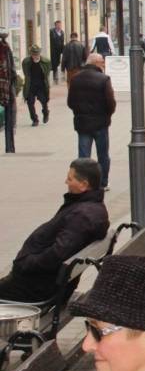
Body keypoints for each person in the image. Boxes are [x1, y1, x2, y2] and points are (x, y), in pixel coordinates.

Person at [0, 158, 109, 303]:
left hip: (37, 287)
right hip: (43, 282)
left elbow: (57, 254)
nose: (66, 182)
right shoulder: (89, 207)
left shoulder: (82, 216)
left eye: (70, 179)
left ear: (84, 185)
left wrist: (26, 263)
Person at [68, 53, 115, 190]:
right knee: (103, 155)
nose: (103, 65)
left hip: (82, 123)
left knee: (83, 157)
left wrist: (79, 112)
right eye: (102, 62)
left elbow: (70, 102)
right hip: (100, 123)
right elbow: (110, 103)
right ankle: (103, 183)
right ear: (96, 63)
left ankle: (83, 183)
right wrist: (107, 115)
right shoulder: (104, 79)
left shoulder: (75, 79)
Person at [21, 45, 50, 126]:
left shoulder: (46, 62)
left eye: (37, 54)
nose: (35, 56)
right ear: (31, 54)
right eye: (34, 54)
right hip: (30, 85)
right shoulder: (26, 62)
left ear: (39, 54)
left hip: (41, 85)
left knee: (44, 101)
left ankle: (46, 113)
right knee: (30, 102)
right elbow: (26, 73)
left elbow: (47, 73)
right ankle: (35, 120)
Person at [0, 31, 16, 153]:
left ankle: (10, 147)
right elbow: (12, 71)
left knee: (9, 116)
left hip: (6, 87)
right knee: (9, 117)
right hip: (6, 88)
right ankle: (9, 147)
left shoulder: (6, 50)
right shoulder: (6, 50)